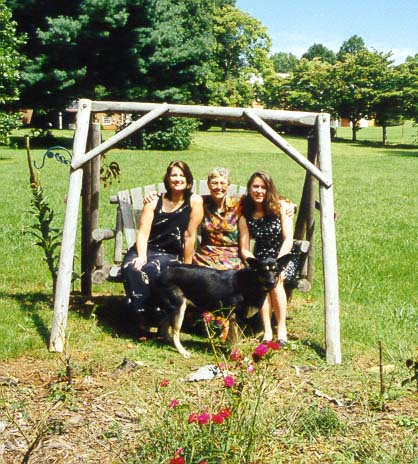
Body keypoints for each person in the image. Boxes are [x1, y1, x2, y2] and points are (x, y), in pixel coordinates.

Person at [121, 160, 203, 329]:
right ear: (167, 178)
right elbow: (143, 233)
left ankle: (158, 317)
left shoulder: (194, 201)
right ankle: (140, 318)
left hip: (172, 253)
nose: (178, 179)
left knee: (152, 269)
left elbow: (189, 236)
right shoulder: (153, 201)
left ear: (188, 179)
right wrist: (142, 256)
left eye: (182, 175)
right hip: (147, 249)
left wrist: (186, 267)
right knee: (132, 267)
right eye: (174, 175)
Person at [238, 171, 298, 345]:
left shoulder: (281, 208)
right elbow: (244, 248)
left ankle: (281, 328)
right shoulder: (245, 215)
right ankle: (267, 331)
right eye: (255, 187)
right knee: (263, 281)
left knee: (276, 280)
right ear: (249, 189)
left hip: (284, 256)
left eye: (263, 187)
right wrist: (254, 263)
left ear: (269, 189)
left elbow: (288, 239)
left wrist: (279, 262)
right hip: (262, 259)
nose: (259, 191)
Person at [185, 167, 243, 270]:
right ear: (208, 185)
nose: (218, 187)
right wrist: (155, 195)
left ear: (229, 185)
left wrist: (281, 202)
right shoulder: (200, 203)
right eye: (214, 183)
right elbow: (178, 200)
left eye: (223, 183)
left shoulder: (239, 203)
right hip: (206, 256)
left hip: (233, 257)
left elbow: (262, 199)